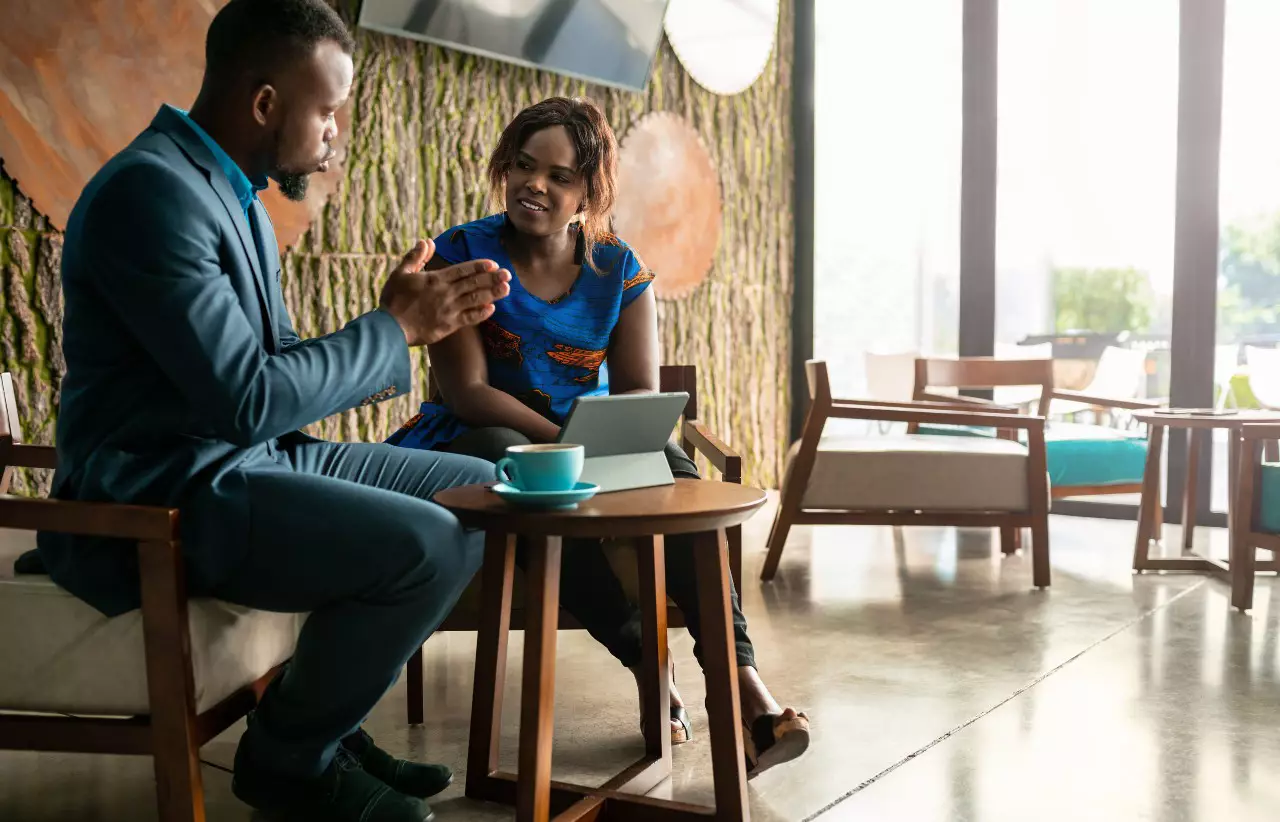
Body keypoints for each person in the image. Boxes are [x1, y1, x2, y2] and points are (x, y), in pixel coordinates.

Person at [32, 1, 511, 820]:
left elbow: (273, 374)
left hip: (250, 455)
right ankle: (289, 763)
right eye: (325, 110)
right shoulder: (151, 196)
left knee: (483, 492)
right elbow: (245, 395)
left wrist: (399, 318)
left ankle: (319, 721)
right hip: (165, 487)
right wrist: (393, 328)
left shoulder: (237, 195)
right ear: (264, 103)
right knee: (426, 541)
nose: (334, 133)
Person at [387, 96, 810, 777]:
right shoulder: (462, 252)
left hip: (583, 439)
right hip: (479, 440)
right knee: (522, 465)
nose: (537, 185)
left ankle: (741, 688)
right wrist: (564, 442)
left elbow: (641, 388)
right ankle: (648, 663)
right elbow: (467, 394)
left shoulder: (619, 268)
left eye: (560, 176)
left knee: (675, 471)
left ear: (589, 191)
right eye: (525, 166)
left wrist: (592, 439)